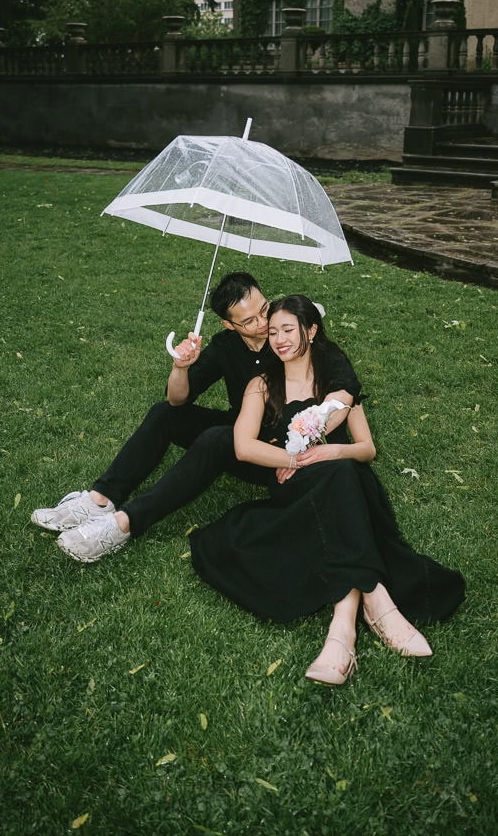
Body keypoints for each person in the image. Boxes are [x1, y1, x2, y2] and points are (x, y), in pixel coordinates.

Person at [189, 295, 466, 685]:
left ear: (312, 330)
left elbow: (366, 449)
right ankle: (377, 601)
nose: (279, 339)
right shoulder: (262, 384)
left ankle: (343, 631)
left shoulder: (336, 383)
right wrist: (294, 460)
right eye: (272, 332)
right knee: (341, 477)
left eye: (288, 329)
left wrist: (332, 449)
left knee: (342, 471)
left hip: (341, 478)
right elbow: (243, 447)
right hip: (294, 486)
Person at [31, 273, 361, 563]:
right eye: (249, 321)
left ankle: (125, 523)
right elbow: (177, 398)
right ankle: (100, 499)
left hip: (282, 451)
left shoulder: (295, 340)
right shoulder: (225, 346)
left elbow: (345, 390)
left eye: (264, 309)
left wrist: (298, 449)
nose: (263, 324)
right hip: (243, 432)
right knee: (166, 414)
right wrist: (181, 366)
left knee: (218, 439)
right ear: (229, 325)